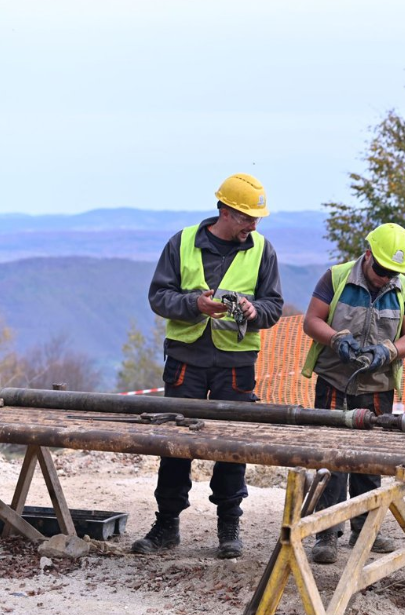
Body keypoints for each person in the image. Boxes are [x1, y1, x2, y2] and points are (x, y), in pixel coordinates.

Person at [133, 173, 284, 558]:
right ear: (226, 211)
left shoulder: (263, 250)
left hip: (236, 363)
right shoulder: (181, 243)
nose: (254, 225)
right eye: (248, 217)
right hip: (186, 360)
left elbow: (274, 307)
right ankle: (167, 525)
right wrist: (194, 305)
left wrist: (254, 310)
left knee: (231, 445)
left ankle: (229, 527)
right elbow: (159, 297)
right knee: (175, 443)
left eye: (256, 219)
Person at [300, 223, 405, 564]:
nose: (386, 278)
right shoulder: (336, 277)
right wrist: (336, 338)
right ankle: (327, 533)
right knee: (332, 458)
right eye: (382, 270)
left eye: (393, 272)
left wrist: (390, 351)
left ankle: (365, 527)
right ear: (367, 255)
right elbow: (311, 321)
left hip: (377, 387)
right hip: (334, 381)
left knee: (370, 460)